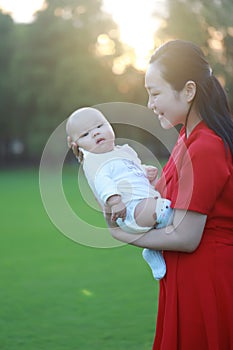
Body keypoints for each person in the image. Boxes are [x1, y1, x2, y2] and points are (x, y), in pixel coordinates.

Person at [103, 40, 233, 350]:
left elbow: (186, 237)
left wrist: (121, 234)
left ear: (188, 91)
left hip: (208, 282)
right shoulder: (186, 140)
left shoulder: (205, 146)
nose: (149, 104)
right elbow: (161, 209)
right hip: (185, 280)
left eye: (155, 93)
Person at [66, 107, 174, 280]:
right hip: (128, 208)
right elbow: (103, 182)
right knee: (169, 213)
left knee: (161, 210)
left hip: (144, 197)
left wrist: (145, 171)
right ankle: (164, 237)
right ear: (76, 145)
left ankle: (152, 250)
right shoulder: (93, 161)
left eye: (99, 126)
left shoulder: (124, 151)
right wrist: (115, 201)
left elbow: (130, 170)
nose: (95, 134)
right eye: (85, 135)